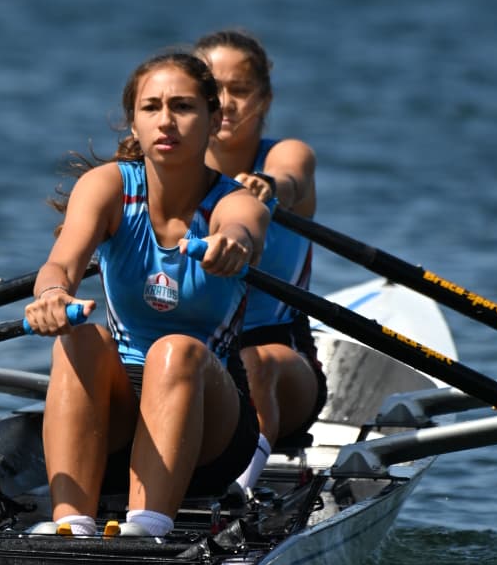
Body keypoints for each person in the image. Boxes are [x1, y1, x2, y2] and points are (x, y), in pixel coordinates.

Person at [23, 49, 271, 539]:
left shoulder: (236, 201)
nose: (166, 121)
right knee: (80, 339)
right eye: (151, 107)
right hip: (120, 421)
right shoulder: (107, 187)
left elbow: (242, 228)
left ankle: (149, 526)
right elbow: (62, 264)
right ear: (133, 124)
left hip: (212, 431)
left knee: (175, 350)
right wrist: (52, 294)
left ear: (213, 120)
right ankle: (70, 526)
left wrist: (231, 245)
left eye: (183, 107)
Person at [194, 29, 327, 492]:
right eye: (214, 89)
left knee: (254, 363)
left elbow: (291, 177)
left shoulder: (286, 154)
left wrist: (269, 187)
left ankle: (241, 490)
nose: (226, 103)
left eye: (240, 90)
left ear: (264, 98)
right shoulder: (170, 167)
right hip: (189, 354)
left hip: (280, 360)